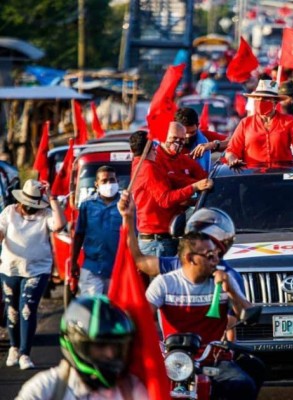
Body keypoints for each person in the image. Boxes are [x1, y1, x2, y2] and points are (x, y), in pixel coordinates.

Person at [145, 217, 258, 400]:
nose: (216, 260)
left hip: (214, 357)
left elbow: (245, 312)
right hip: (174, 359)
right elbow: (142, 317)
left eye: (217, 255)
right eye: (209, 256)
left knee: (242, 384)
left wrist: (230, 291)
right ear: (191, 259)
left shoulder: (224, 279)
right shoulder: (165, 283)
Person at [16, 295, 148, 399]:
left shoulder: (133, 389)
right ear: (77, 344)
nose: (110, 354)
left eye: (117, 346)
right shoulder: (45, 388)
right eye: (100, 346)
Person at [0, 179, 66, 369]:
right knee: (12, 310)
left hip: (37, 270)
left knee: (27, 309)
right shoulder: (9, 212)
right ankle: (13, 347)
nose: (31, 207)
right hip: (10, 268)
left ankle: (25, 354)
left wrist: (52, 199)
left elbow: (60, 225)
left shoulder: (45, 214)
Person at [129, 130, 213, 257]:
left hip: (157, 240)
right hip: (158, 243)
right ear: (150, 148)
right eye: (154, 146)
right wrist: (195, 187)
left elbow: (173, 179)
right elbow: (165, 199)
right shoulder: (148, 168)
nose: (157, 149)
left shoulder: (140, 165)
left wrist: (195, 186)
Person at [224, 79, 293, 167]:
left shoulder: (289, 121)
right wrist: (232, 159)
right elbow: (232, 149)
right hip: (253, 178)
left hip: (281, 177)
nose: (260, 101)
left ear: (274, 102)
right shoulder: (245, 123)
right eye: (257, 98)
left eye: (265, 99)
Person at [71, 165, 122, 296]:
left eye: (112, 180)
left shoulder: (126, 205)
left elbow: (134, 235)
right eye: (104, 181)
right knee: (93, 311)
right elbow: (79, 235)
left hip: (118, 269)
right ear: (96, 184)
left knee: (113, 312)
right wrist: (73, 261)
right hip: (92, 267)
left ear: (118, 182)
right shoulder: (87, 205)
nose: (109, 184)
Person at [175, 107, 229, 173]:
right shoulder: (167, 143)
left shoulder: (203, 137)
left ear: (197, 125)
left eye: (192, 132)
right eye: (184, 133)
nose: (188, 136)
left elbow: (234, 141)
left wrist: (213, 145)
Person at [155, 121, 208, 188]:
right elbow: (171, 186)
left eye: (182, 139)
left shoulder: (185, 159)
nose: (178, 142)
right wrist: (196, 185)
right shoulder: (154, 160)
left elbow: (205, 178)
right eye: (174, 138)